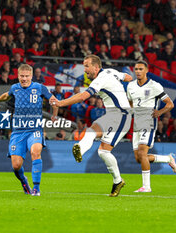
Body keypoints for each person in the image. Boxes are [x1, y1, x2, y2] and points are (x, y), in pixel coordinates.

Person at [52, 55, 133, 197]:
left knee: (103, 152)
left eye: (87, 66)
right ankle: (80, 150)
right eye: (84, 66)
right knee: (90, 132)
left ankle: (118, 180)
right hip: (112, 115)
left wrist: (61, 103)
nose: (85, 70)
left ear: (96, 67)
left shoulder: (101, 78)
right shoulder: (110, 72)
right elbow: (127, 77)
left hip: (122, 115)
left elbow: (83, 96)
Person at [0, 64, 58, 196]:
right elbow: (6, 96)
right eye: (22, 76)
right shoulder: (15, 88)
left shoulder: (39, 88)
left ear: (31, 76)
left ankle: (36, 188)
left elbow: (54, 100)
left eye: (27, 76)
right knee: (16, 165)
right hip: (18, 131)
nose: (24, 78)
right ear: (18, 76)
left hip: (34, 129)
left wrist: (54, 115)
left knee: (35, 152)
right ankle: (24, 181)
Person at [127, 60, 176, 193]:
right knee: (139, 158)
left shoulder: (155, 86)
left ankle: (146, 187)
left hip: (148, 122)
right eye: (136, 69)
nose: (138, 71)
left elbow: (169, 104)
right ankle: (167, 158)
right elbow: (130, 103)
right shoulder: (130, 86)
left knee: (143, 153)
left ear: (147, 70)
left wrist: (159, 112)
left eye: (141, 69)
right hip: (136, 123)